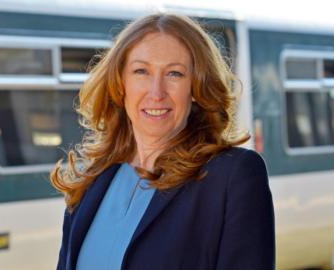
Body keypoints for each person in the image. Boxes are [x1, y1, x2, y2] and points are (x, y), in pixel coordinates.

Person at [51, 13, 275, 270]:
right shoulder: (92, 178)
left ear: (196, 87)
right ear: (120, 83)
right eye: (141, 71)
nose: (156, 92)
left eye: (174, 74)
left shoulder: (232, 177)